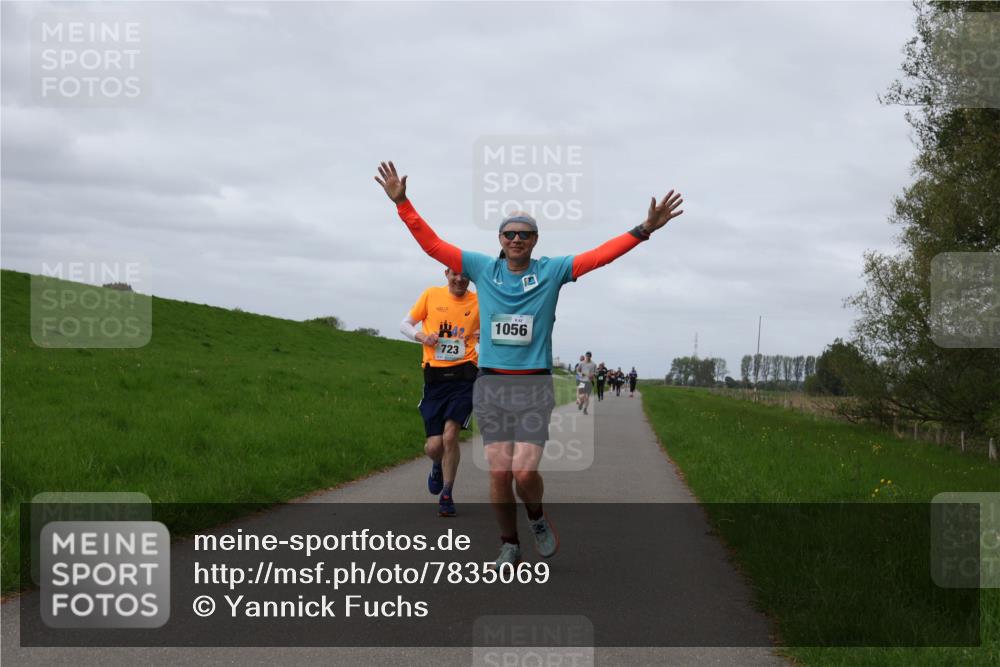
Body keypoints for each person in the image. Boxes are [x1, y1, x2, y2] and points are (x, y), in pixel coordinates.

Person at [375, 160, 684, 566]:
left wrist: (643, 231)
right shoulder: (483, 269)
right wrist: (403, 203)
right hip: (491, 385)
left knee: (524, 474)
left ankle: (536, 517)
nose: (516, 239)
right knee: (499, 474)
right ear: (500, 239)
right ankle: (509, 542)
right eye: (509, 234)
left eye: (524, 234)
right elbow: (433, 246)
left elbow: (599, 257)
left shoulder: (552, 271)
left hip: (532, 385)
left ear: (535, 240)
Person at [399, 268, 479, 517]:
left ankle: (447, 492)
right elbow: (405, 324)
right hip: (435, 377)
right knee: (434, 446)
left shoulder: (479, 301)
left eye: (465, 275)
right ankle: (436, 464)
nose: (459, 279)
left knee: (450, 434)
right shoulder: (431, 295)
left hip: (466, 375)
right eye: (455, 274)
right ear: (446, 273)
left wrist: (483, 334)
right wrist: (421, 336)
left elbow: (495, 327)